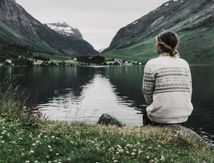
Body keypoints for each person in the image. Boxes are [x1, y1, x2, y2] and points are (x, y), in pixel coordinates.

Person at [142, 30, 193, 126]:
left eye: (156, 43)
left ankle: (150, 133)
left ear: (159, 45)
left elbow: (147, 92)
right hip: (183, 115)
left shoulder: (152, 63)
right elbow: (189, 90)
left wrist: (154, 105)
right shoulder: (184, 63)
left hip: (159, 116)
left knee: (146, 113)